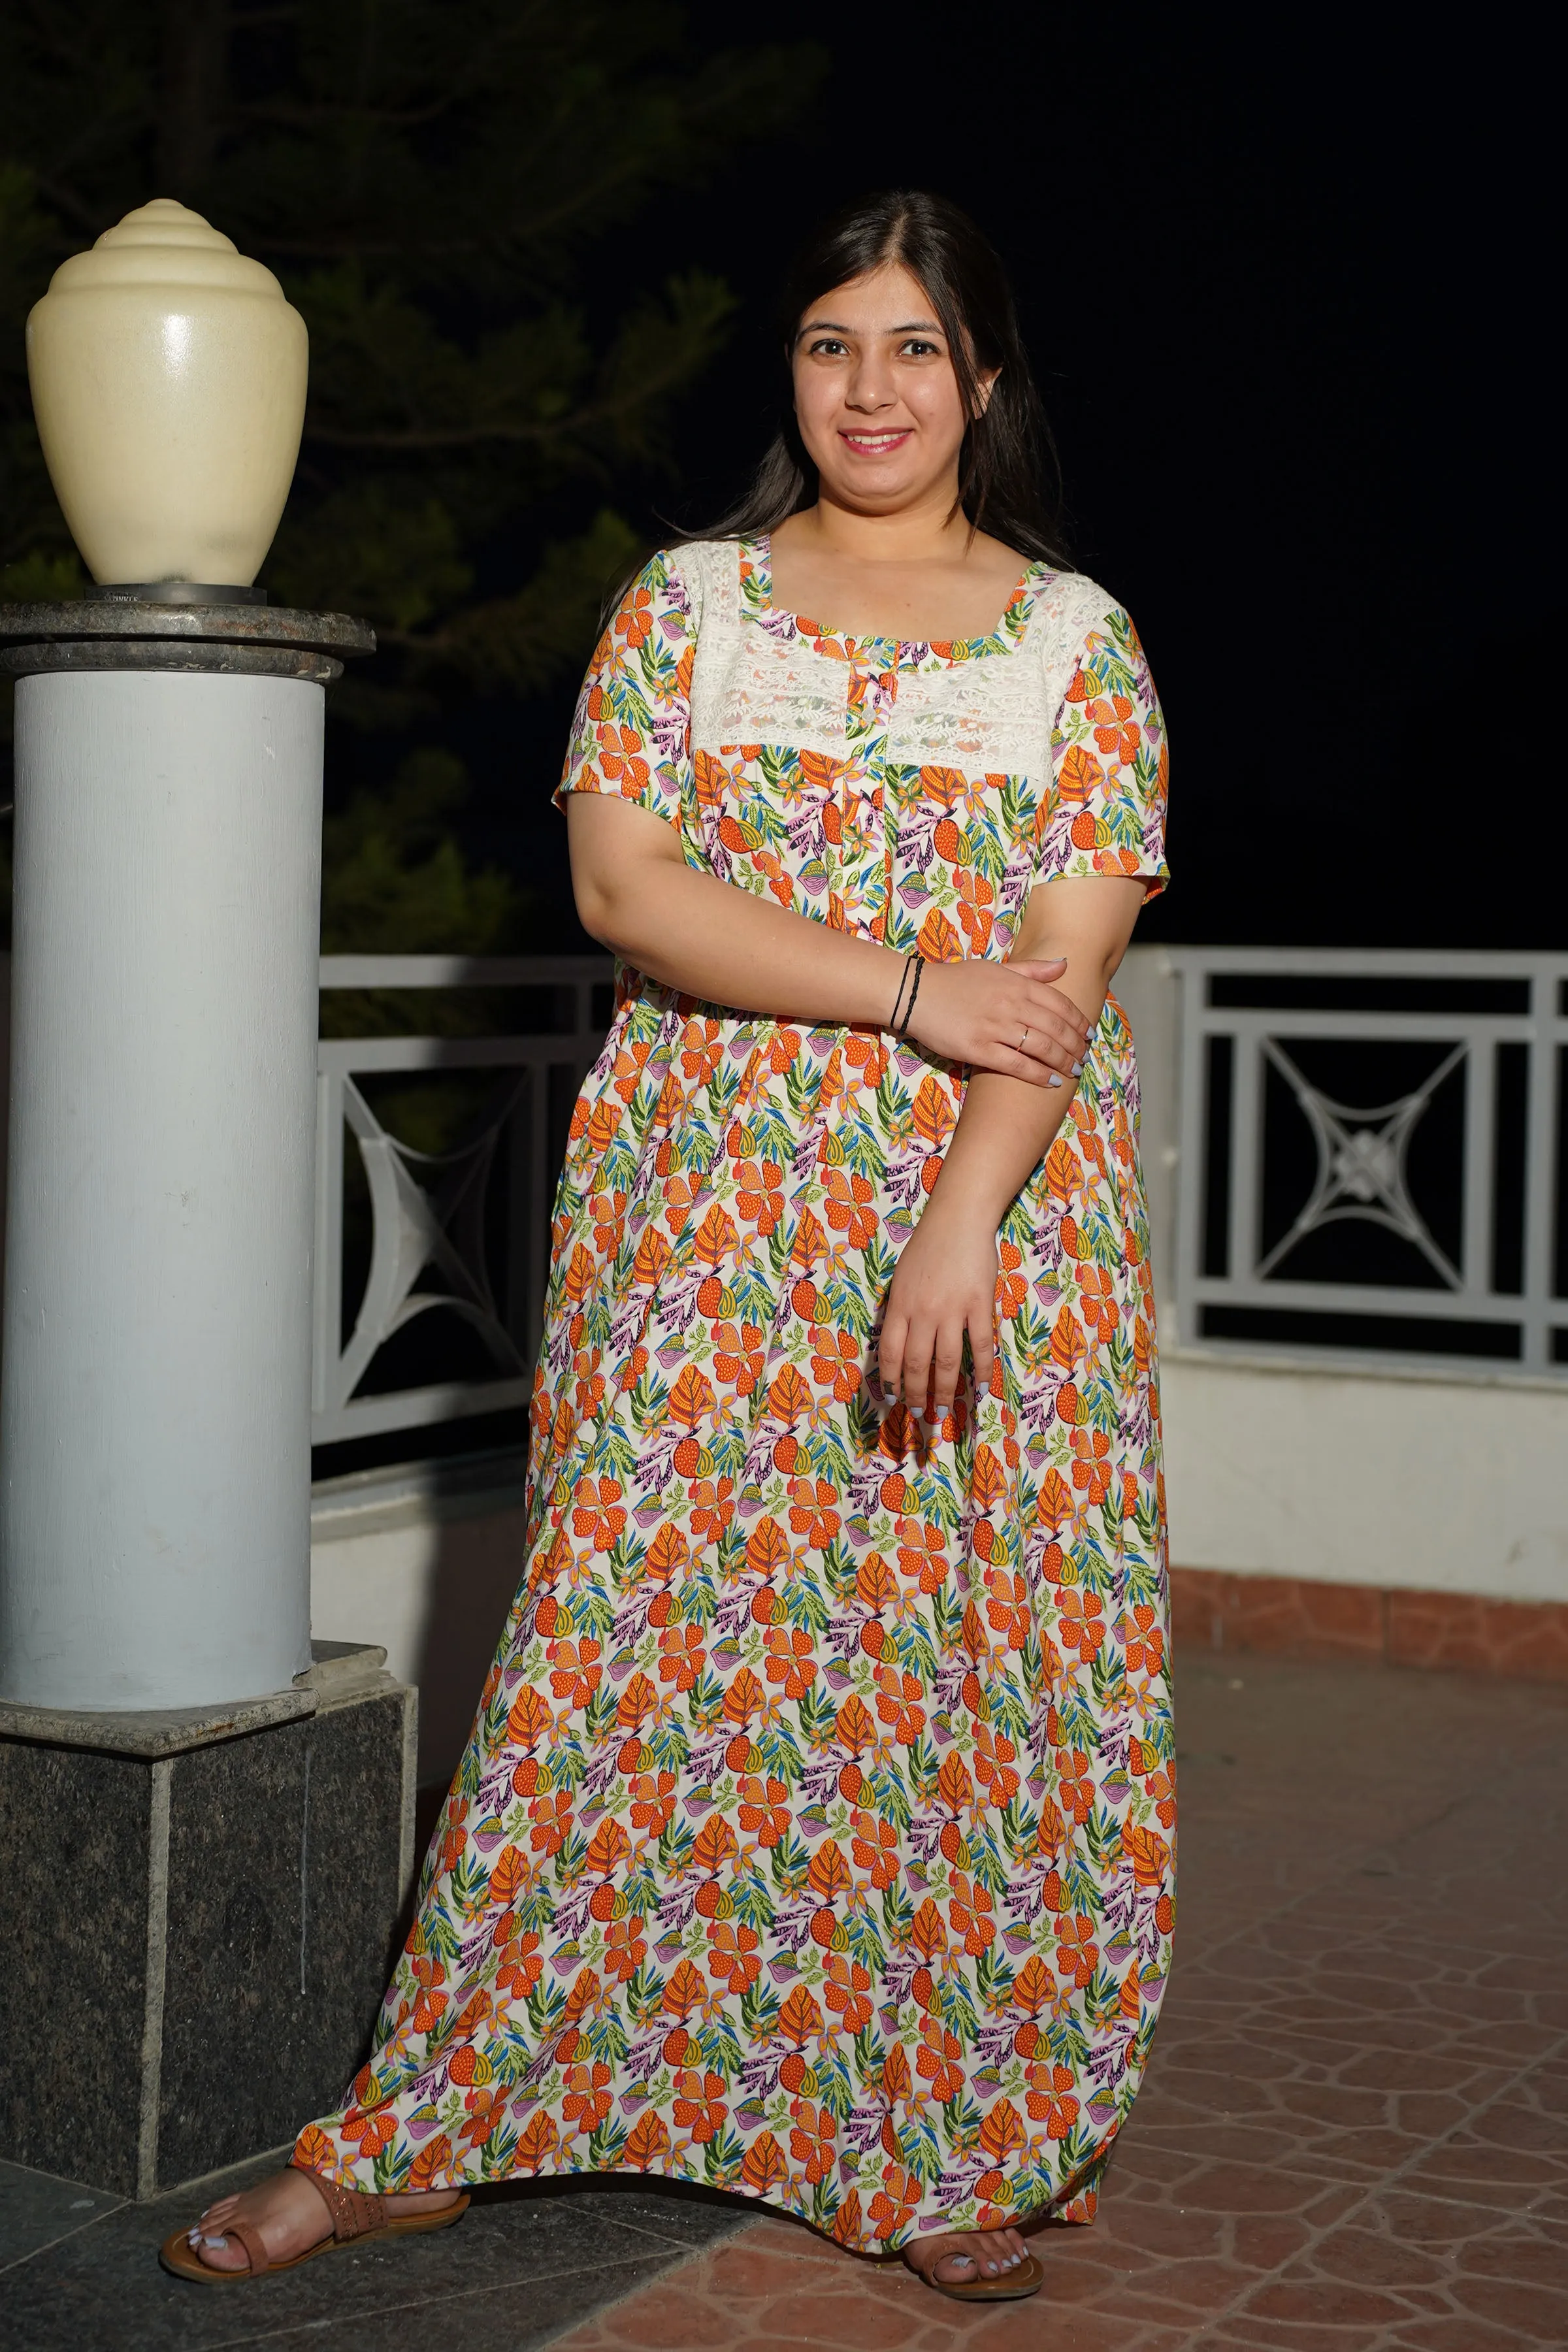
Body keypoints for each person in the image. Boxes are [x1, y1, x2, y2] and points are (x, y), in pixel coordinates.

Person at [163, 186, 1173, 2308]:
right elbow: (630, 892)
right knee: (624, 1653)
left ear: (983, 379)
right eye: (829, 344)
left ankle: (953, 2137)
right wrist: (909, 985)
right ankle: (427, 2124)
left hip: (980, 1225)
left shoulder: (1076, 640)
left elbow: (1061, 984)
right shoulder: (690, 606)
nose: (870, 391)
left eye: (914, 347)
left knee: (960, 1674)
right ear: (788, 369)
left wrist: (952, 1234)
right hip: (703, 1226)